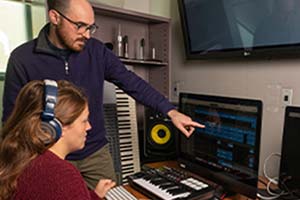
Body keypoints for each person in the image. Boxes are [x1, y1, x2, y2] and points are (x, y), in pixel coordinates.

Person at [2, 0, 204, 189]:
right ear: (55, 18)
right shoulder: (22, 58)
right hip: (49, 156)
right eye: (80, 26)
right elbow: (12, 119)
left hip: (95, 152)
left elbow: (132, 83)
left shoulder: (97, 51)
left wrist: (170, 111)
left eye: (91, 27)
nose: (87, 35)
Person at [0, 80, 115, 200]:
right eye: (84, 121)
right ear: (58, 127)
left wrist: (93, 196)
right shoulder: (61, 176)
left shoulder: (25, 157)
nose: (89, 127)